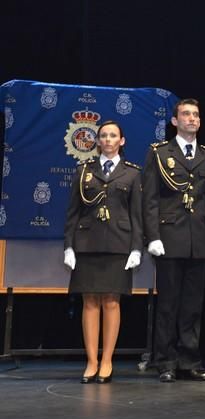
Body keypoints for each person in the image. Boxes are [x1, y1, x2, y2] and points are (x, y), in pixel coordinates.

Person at [142, 98, 205, 382]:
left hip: (199, 237)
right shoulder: (160, 153)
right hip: (169, 235)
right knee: (168, 304)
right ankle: (165, 361)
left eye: (196, 115)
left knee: (192, 304)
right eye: (186, 114)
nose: (192, 119)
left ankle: (189, 360)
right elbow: (150, 199)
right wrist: (152, 236)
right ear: (174, 121)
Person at [63, 120, 143, 384]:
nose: (108, 139)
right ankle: (91, 361)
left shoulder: (132, 174)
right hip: (87, 243)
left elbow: (137, 215)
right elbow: (73, 212)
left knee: (111, 301)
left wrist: (136, 248)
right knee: (89, 301)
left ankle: (107, 360)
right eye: (103, 136)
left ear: (122, 141)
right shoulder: (84, 170)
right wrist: (69, 246)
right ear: (98, 141)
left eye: (113, 135)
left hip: (119, 244)